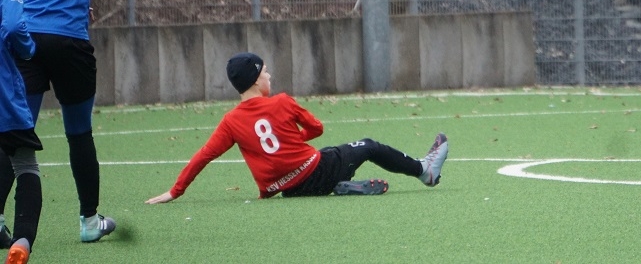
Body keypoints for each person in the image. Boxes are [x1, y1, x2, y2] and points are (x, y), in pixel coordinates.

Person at [0, 0, 130, 243]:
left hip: (30, 43)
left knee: (15, 134)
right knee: (79, 132)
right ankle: (89, 222)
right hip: (70, 42)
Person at [145, 52, 449, 204]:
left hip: (288, 190)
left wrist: (175, 191)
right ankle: (425, 171)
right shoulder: (282, 102)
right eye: (265, 72)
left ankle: (340, 185)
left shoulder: (231, 121)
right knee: (367, 145)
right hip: (316, 170)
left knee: (328, 156)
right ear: (255, 80)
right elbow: (317, 128)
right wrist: (297, 137)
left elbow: (204, 156)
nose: (269, 76)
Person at [0, 0, 43, 264]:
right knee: (25, 165)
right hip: (4, 94)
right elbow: (14, 27)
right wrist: (28, 49)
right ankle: (22, 242)